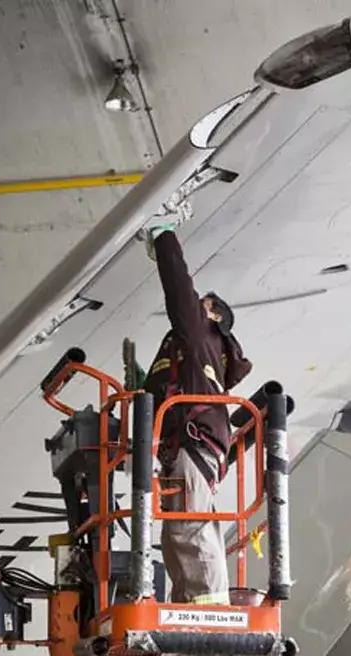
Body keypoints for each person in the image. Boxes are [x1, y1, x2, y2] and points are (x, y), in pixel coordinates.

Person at [142, 223, 252, 606]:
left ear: (215, 316)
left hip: (192, 444)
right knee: (177, 533)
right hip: (187, 445)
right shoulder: (196, 365)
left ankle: (210, 608)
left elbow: (178, 290)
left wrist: (164, 238)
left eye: (203, 305)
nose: (196, 308)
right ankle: (186, 608)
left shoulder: (201, 336)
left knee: (189, 526)